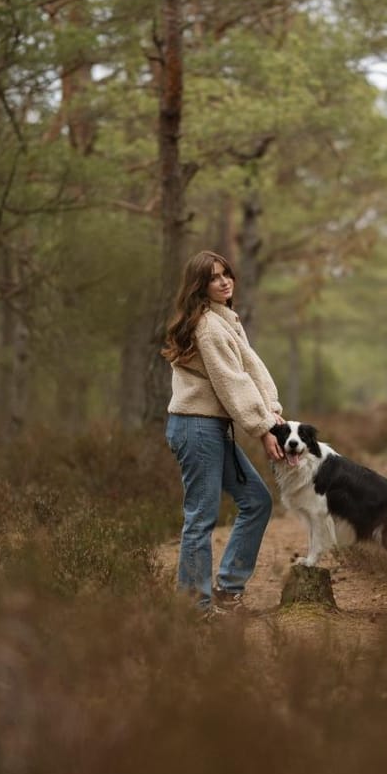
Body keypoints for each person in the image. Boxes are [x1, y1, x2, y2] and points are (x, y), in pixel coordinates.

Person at [162, 250, 285, 614]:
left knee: (257, 501)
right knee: (200, 517)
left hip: (213, 428)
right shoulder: (208, 326)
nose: (224, 281)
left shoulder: (224, 319)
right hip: (196, 428)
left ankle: (228, 589)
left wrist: (271, 413)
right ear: (200, 285)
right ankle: (194, 608)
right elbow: (232, 383)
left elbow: (250, 369)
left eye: (226, 274)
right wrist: (263, 427)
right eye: (214, 277)